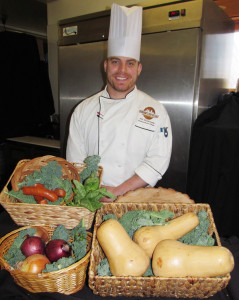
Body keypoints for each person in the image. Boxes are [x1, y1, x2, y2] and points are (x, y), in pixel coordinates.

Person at [66, 3, 172, 200]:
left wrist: (118, 191)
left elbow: (158, 161)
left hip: (136, 200)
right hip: (92, 200)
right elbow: (75, 163)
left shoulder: (156, 111)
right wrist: (95, 191)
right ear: (106, 66)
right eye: (115, 62)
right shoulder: (83, 110)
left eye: (130, 63)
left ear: (138, 68)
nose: (122, 71)